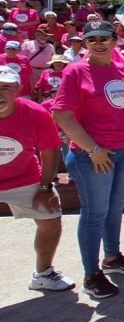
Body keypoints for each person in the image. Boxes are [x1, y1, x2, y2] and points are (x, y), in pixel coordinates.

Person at [53, 20, 124, 300]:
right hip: (93, 157)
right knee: (94, 214)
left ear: (115, 41)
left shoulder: (122, 68)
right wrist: (93, 149)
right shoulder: (75, 71)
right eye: (92, 39)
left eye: (105, 37)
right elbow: (62, 116)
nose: (99, 43)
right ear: (85, 44)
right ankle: (91, 273)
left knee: (115, 208)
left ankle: (113, 257)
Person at [0, 65, 75, 291]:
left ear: (18, 89)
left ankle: (43, 274)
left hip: (25, 177)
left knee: (51, 219)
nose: (0, 94)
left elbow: (49, 151)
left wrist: (45, 187)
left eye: (6, 88)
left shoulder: (35, 113)